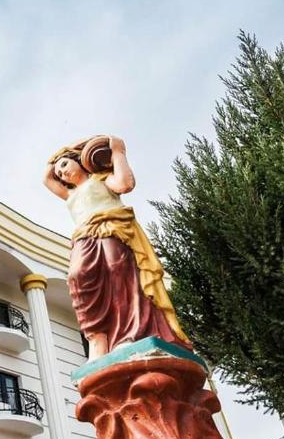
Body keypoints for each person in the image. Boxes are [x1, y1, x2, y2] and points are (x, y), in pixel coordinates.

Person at [44, 134, 190, 360]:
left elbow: (125, 184)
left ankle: (129, 334)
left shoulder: (101, 180)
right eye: (60, 174)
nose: (62, 173)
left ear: (78, 161)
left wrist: (118, 151)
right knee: (77, 276)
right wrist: (73, 150)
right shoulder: (70, 194)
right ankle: (97, 337)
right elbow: (47, 178)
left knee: (118, 272)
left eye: (64, 165)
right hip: (84, 237)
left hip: (112, 229)